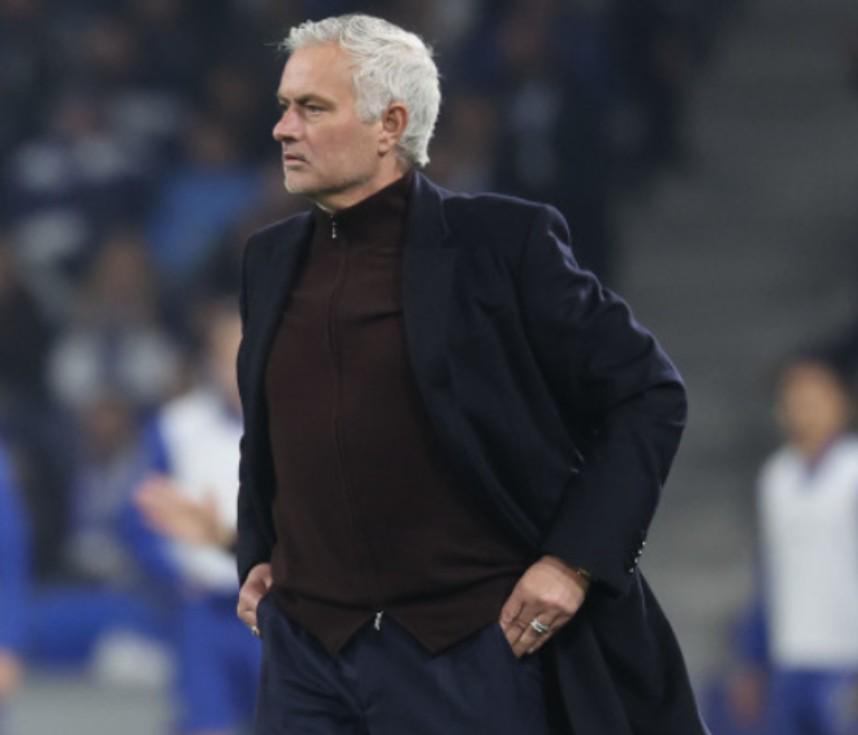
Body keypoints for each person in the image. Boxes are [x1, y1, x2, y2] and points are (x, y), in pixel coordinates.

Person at [235, 13, 708, 735]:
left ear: (390, 124)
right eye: (283, 106)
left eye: (312, 108)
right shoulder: (268, 258)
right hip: (307, 655)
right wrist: (259, 551)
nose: (282, 128)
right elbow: (268, 426)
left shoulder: (501, 244)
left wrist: (575, 561)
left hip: (465, 649)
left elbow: (648, 393)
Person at [727, 355, 858, 735]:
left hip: (846, 655)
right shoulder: (776, 477)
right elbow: (769, 571)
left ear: (842, 402)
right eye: (794, 400)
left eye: (814, 399)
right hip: (791, 655)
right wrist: (751, 658)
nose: (804, 411)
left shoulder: (852, 471)